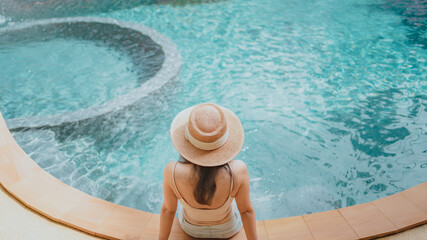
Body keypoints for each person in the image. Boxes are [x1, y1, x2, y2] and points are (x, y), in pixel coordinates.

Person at [159, 103, 258, 239]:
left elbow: (168, 210)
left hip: (191, 230)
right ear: (223, 143)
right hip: (227, 230)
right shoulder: (237, 170)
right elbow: (246, 211)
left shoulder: (173, 171)